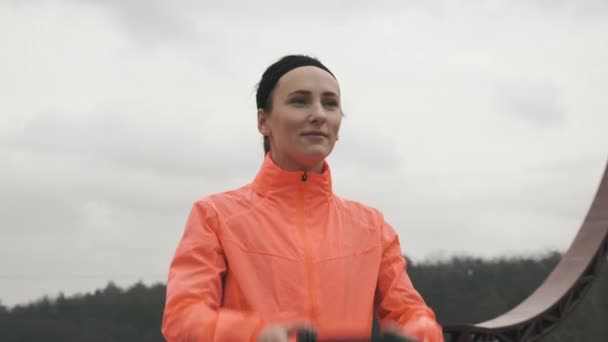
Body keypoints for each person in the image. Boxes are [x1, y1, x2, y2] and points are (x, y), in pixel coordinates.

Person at [161, 55, 443, 342]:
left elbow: (410, 314)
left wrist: (419, 336)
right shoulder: (214, 216)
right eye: (300, 101)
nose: (319, 114)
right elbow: (183, 318)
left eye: (330, 103)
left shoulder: (373, 227)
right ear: (263, 121)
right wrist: (255, 335)